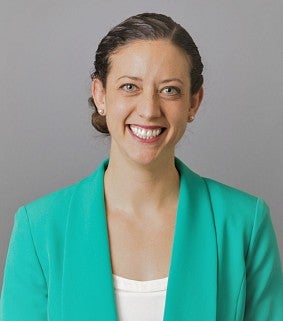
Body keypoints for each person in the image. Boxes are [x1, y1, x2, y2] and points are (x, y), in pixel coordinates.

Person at [0, 12, 282, 321]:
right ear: (100, 95)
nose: (149, 110)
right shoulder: (38, 228)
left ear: (194, 103)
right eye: (130, 87)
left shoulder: (244, 224)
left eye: (169, 90)